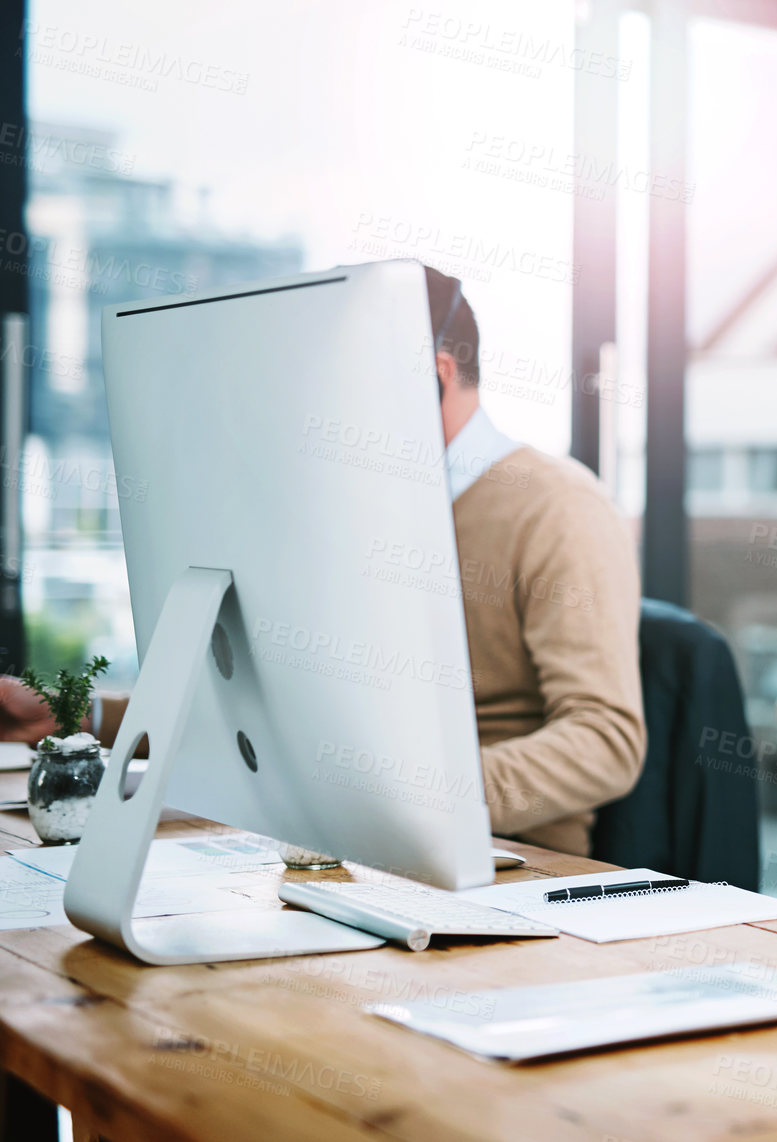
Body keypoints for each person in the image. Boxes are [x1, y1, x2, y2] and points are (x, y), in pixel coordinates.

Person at [0, 265, 647, 858]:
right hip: (335, 847)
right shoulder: (353, 507)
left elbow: (606, 741)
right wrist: (83, 716)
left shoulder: (558, 508)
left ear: (436, 376)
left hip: (506, 861)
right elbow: (291, 697)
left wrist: (424, 798)